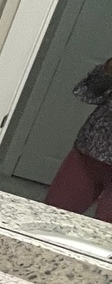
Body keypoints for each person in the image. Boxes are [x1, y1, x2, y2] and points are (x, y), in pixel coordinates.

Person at [45, 56, 112, 222]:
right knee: (52, 217)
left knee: (106, 237)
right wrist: (107, 71)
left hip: (92, 149)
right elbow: (88, 92)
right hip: (92, 149)